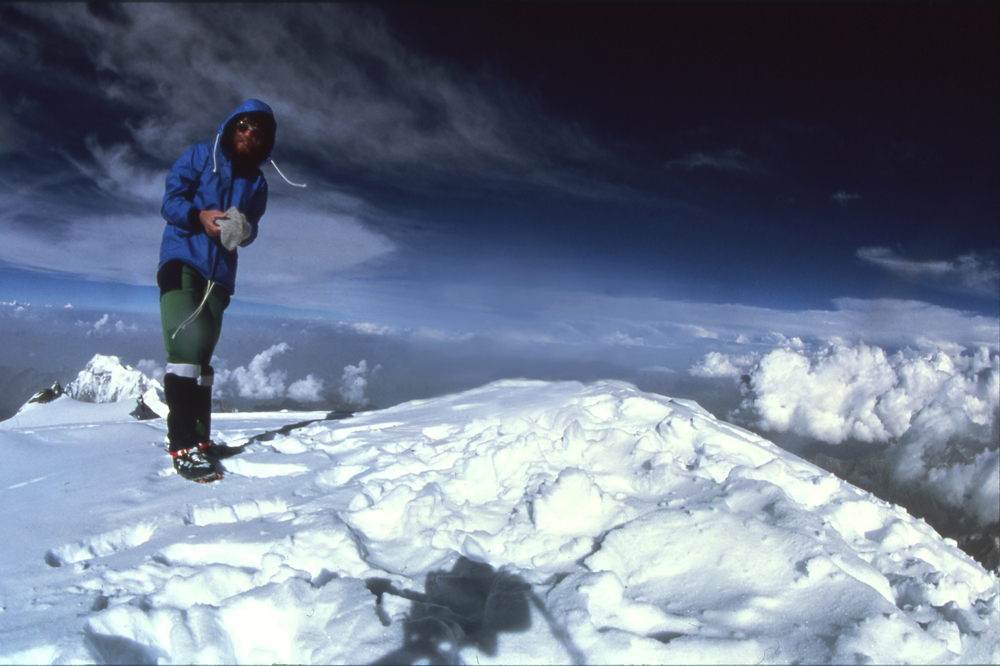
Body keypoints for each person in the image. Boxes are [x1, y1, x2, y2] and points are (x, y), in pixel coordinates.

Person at [157, 99, 281, 480]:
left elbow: (252, 230)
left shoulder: (257, 182)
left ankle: (201, 440)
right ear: (231, 127)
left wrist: (244, 230)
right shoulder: (199, 157)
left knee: (204, 361)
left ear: (266, 141)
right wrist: (200, 217)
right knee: (184, 349)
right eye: (243, 125)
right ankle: (181, 447)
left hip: (220, 277)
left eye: (258, 131)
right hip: (182, 261)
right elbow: (170, 202)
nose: (249, 133)